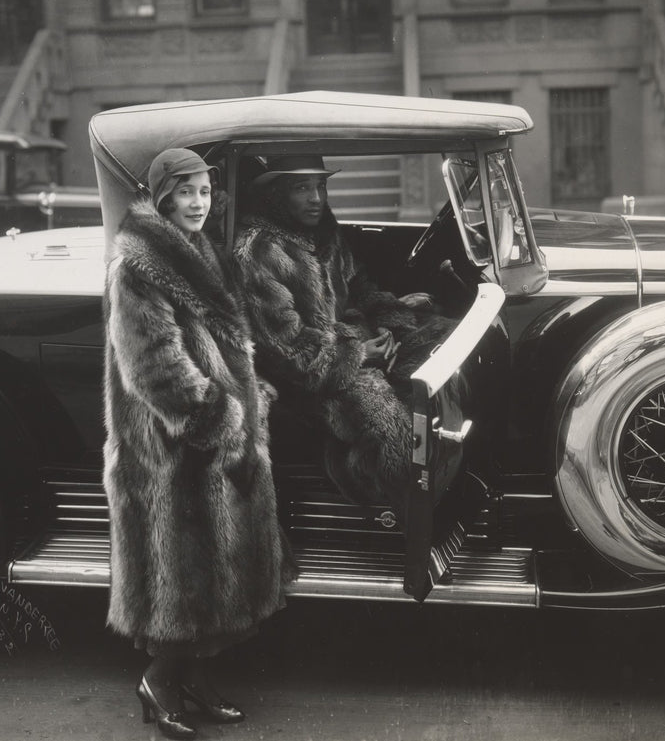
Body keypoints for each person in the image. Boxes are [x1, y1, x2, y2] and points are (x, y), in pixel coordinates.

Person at [102, 147, 294, 740]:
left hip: (211, 440)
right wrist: (223, 421)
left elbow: (220, 344)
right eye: (185, 192)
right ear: (162, 196)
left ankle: (194, 682)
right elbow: (155, 368)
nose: (197, 203)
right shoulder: (138, 266)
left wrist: (249, 394)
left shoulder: (198, 250)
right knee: (179, 579)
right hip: (169, 449)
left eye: (205, 192)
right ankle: (159, 682)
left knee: (214, 576)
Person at [233, 154, 451, 517]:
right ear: (275, 194)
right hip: (306, 381)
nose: (317, 198)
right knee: (387, 419)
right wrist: (359, 354)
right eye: (302, 188)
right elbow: (286, 349)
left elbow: (361, 288)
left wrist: (390, 325)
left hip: (354, 345)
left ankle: (450, 485)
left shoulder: (324, 233)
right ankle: (396, 514)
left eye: (321, 186)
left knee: (443, 339)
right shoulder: (259, 251)